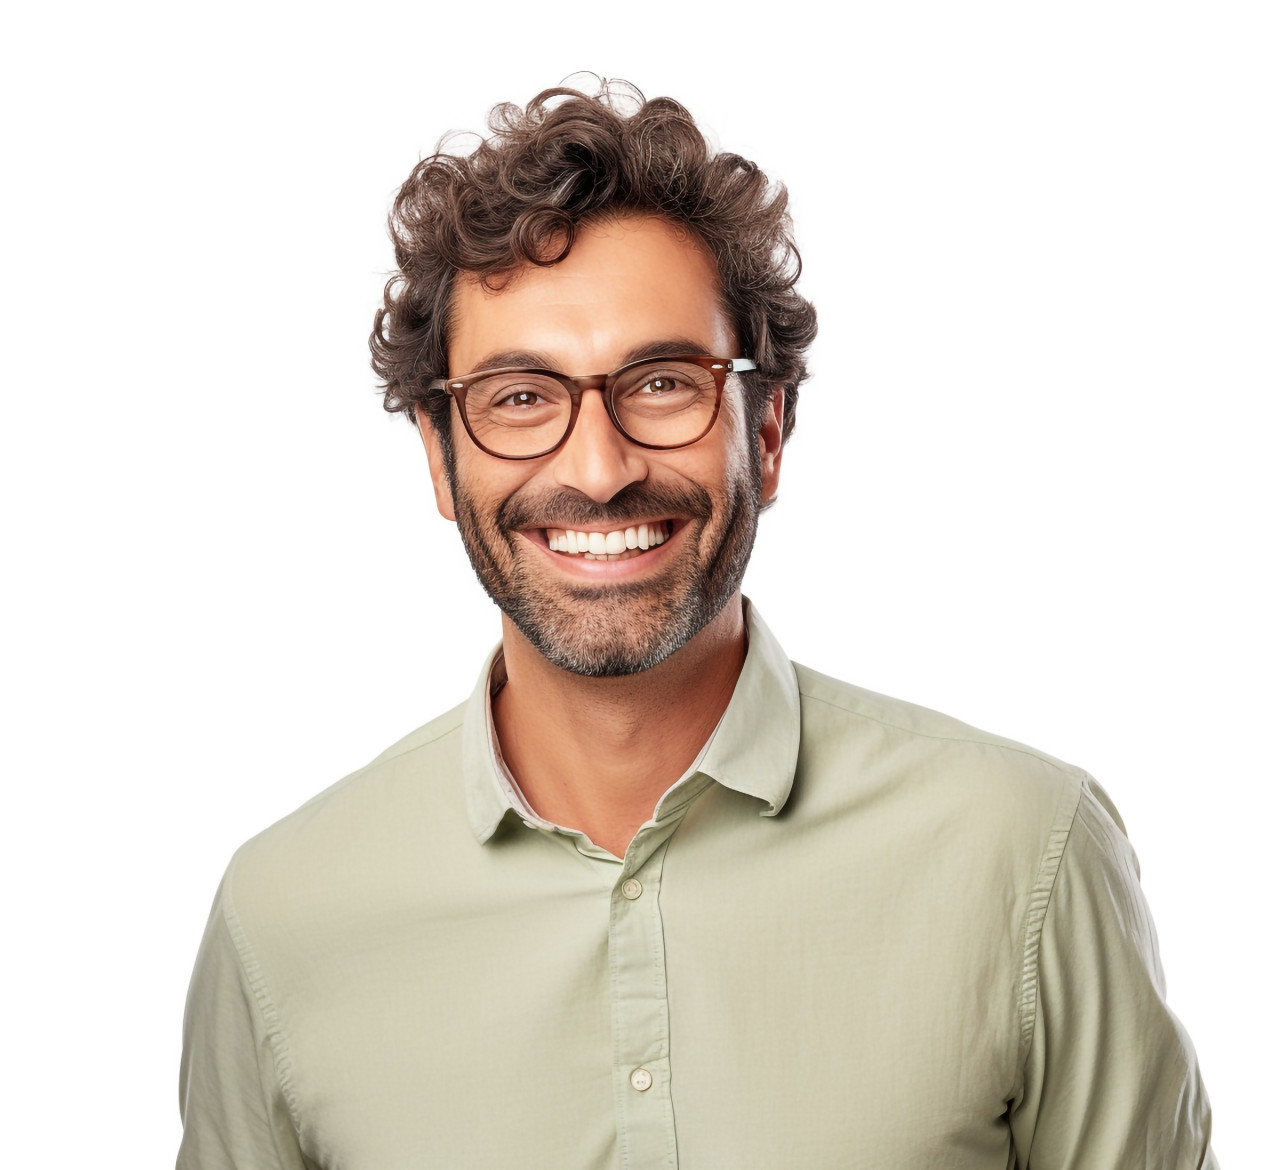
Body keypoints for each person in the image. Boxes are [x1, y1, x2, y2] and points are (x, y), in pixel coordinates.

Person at [178, 82, 1216, 1168]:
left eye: (664, 382)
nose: (598, 470)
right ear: (441, 458)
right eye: (520, 397)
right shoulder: (281, 919)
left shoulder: (1024, 851)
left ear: (766, 433)